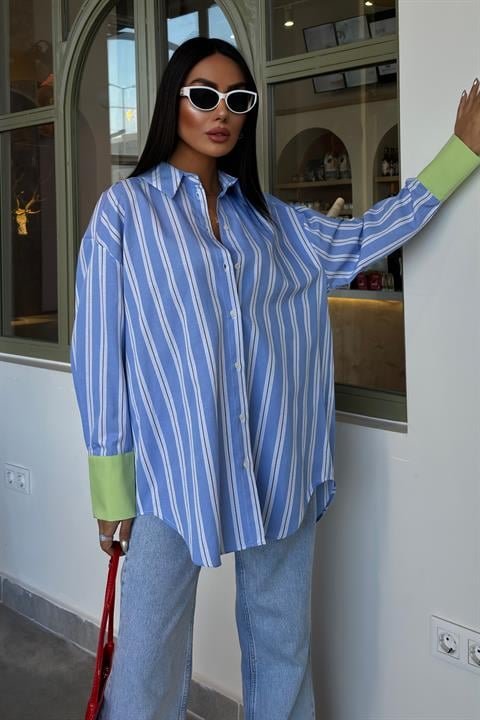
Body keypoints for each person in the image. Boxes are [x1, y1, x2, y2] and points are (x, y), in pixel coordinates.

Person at [71, 36, 480, 720]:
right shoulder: (125, 214)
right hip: (170, 469)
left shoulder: (275, 222)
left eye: (237, 99)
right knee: (145, 656)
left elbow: (366, 236)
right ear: (174, 102)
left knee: (281, 643)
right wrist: (109, 487)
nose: (221, 112)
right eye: (205, 95)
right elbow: (97, 353)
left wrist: (461, 153)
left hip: (277, 462)